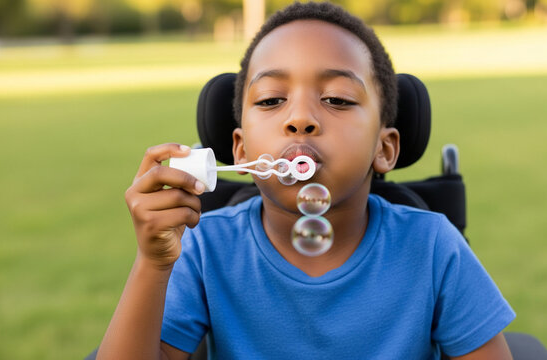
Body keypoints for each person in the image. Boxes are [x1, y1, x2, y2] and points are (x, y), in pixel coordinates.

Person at [96, 2, 515, 359]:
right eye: (271, 100)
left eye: (337, 99)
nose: (299, 119)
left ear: (384, 149)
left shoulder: (433, 248)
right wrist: (152, 264)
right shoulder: (206, 248)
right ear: (239, 151)